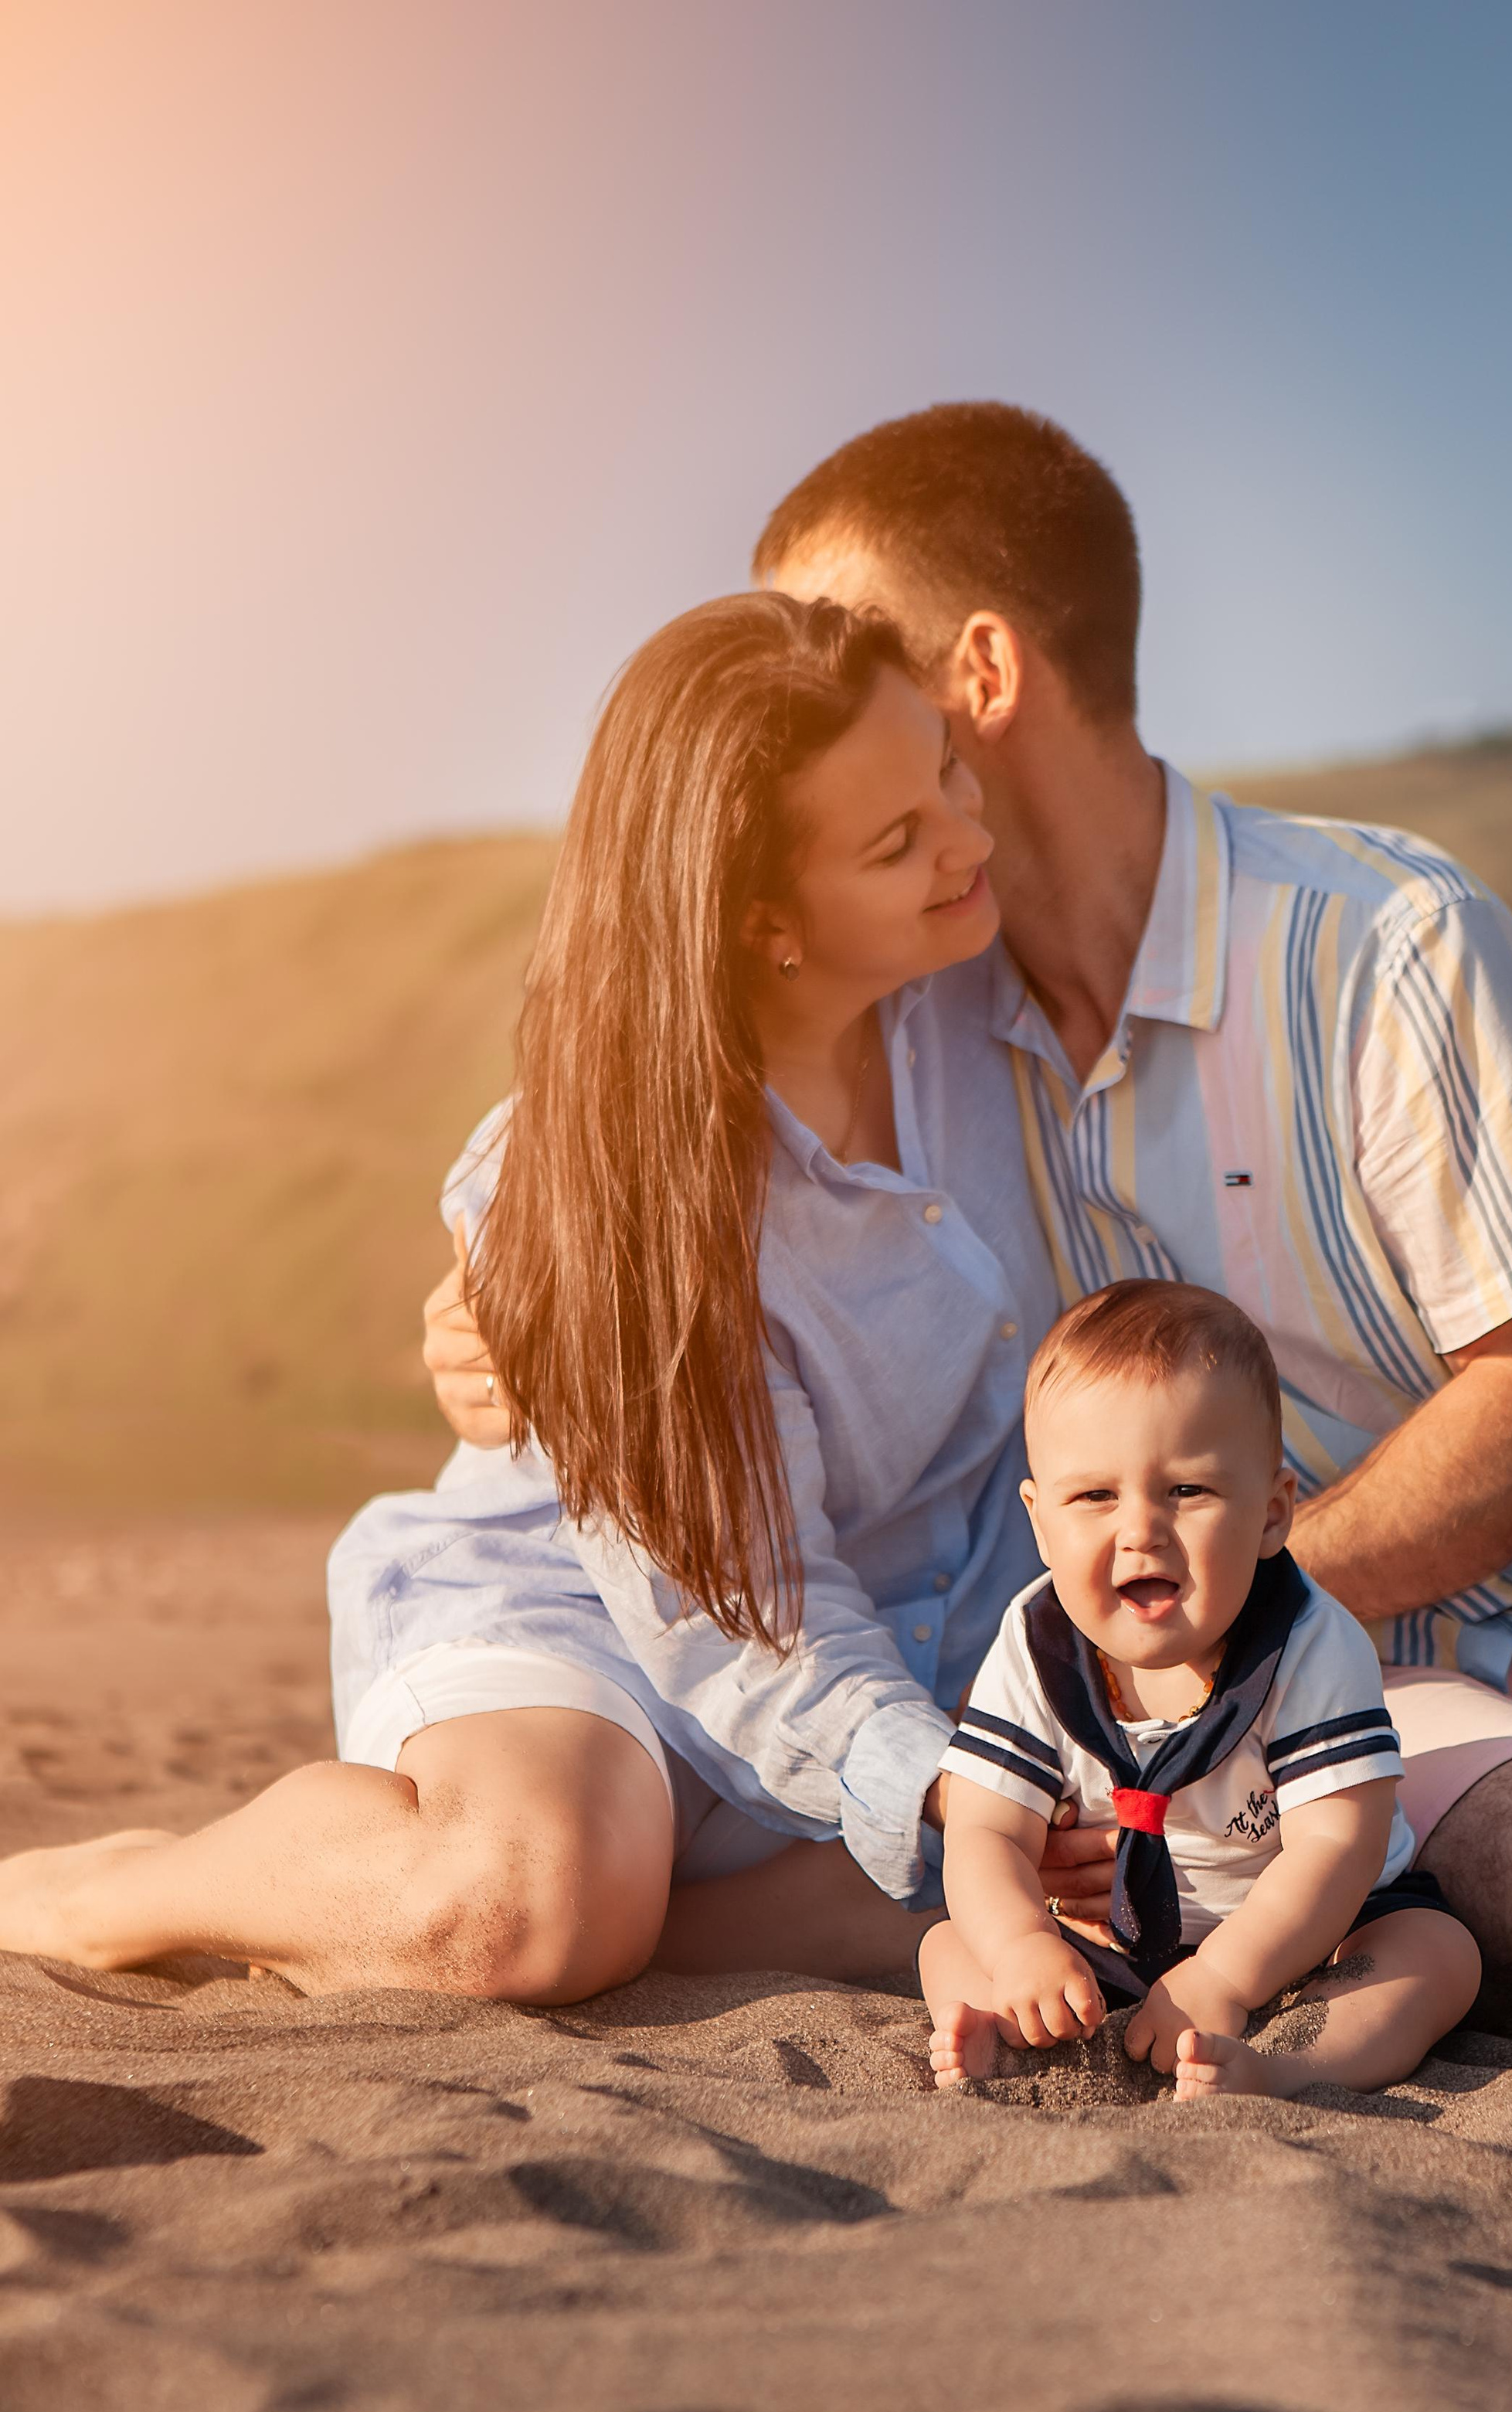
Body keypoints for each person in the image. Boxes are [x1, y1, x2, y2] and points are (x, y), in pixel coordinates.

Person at [426, 403, 1512, 2064]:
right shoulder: (923, 1036)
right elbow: (643, 1118)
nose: (808, 686)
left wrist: (1236, 1623)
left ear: (981, 674)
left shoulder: (1382, 944)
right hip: (1333, 1711)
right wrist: (490, 1297)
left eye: (848, 641)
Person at [0, 591, 1059, 1999]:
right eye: (898, 843)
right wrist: (945, 1781)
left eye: (947, 773)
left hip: (894, 1630)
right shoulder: (585, 1184)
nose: (969, 841)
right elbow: (748, 1610)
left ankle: (682, 1913)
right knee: (528, 1905)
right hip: (604, 1614)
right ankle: (107, 1891)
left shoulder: (994, 1006)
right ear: (762, 924)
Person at [922, 1281, 1480, 2097]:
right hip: (1097, 1943)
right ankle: (1013, 2037)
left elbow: (1336, 1847)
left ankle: (1287, 2066)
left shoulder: (1308, 1644)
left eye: (1186, 1491)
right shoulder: (1035, 1642)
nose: (1140, 1528)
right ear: (1041, 1523)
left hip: (1306, 1938)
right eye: (1095, 1496)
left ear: (1270, 1513)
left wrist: (1223, 1978)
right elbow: (985, 1833)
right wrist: (1018, 1949)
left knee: (1435, 1956)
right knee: (951, 1944)